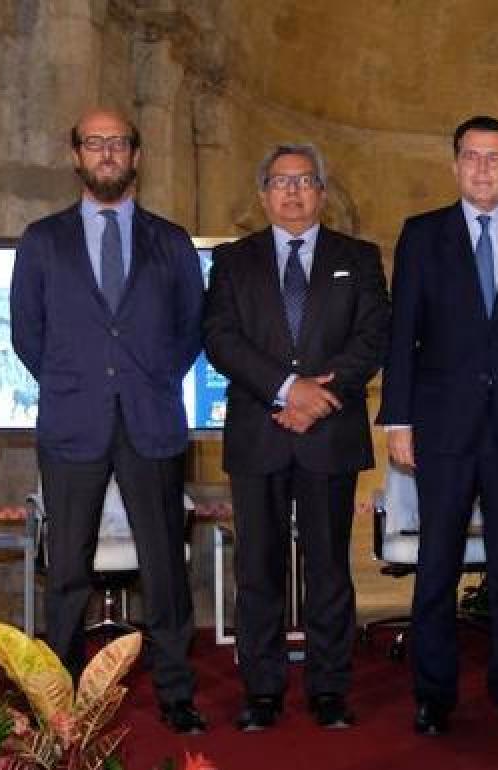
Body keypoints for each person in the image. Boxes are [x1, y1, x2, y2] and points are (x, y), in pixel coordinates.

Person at [10, 108, 206, 734]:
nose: (107, 153)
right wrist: (80, 382)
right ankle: (58, 701)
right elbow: (26, 333)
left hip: (152, 419)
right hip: (73, 423)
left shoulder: (170, 241)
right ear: (77, 155)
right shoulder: (43, 239)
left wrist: (145, 378)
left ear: (135, 155)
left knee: (164, 569)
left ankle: (176, 693)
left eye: (118, 143)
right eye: (95, 143)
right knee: (66, 570)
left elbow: (190, 328)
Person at [377, 115, 498, 736]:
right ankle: (434, 695)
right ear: (455, 163)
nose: (483, 168)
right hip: (442, 427)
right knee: (437, 565)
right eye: (471, 156)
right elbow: (401, 333)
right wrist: (400, 419)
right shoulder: (422, 234)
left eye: (495, 158)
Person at [202, 143, 390, 731]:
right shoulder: (234, 260)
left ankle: (329, 688)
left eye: (304, 180)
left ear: (321, 192)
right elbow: (220, 338)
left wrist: (319, 399)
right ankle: (261, 690)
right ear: (263, 194)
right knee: (257, 568)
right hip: (260, 431)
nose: (292, 191)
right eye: (280, 181)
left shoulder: (357, 257)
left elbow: (375, 333)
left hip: (328, 432)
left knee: (329, 566)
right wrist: (287, 390)